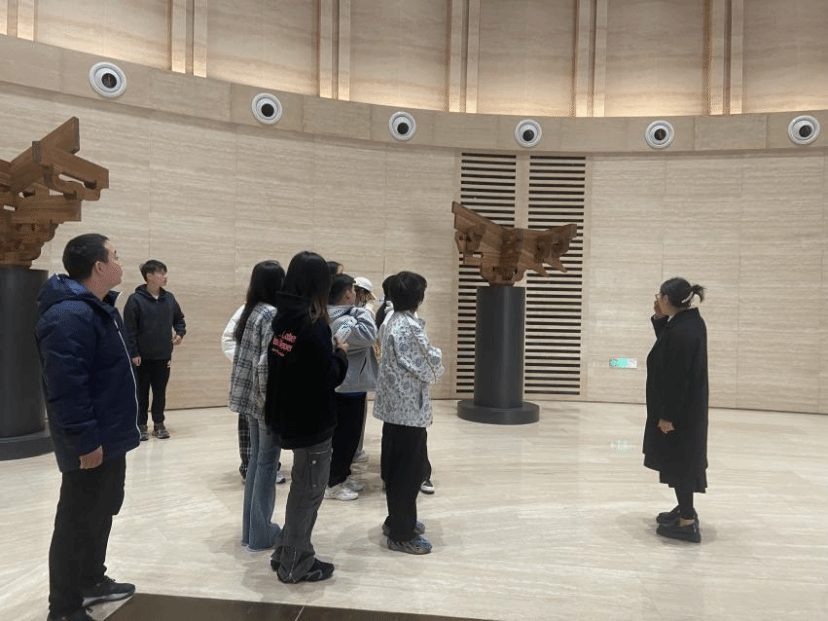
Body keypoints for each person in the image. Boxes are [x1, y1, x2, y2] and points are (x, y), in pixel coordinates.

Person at [36, 233, 139, 621]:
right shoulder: (68, 316)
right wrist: (84, 440)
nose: (120, 261)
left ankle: (91, 580)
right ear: (99, 266)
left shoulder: (99, 308)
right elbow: (66, 387)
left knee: (102, 511)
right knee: (77, 520)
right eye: (115, 255)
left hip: (109, 435)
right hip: (90, 439)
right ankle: (63, 607)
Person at [264, 251, 348, 583]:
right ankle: (295, 564)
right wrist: (340, 354)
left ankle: (285, 551)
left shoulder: (283, 320)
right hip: (312, 422)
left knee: (301, 487)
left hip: (288, 416)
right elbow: (328, 377)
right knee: (309, 492)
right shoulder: (313, 327)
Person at [373, 271, 444, 555]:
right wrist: (438, 357)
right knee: (408, 472)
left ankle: (396, 521)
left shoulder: (391, 319)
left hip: (394, 407)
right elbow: (430, 364)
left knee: (396, 468)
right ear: (418, 297)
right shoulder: (408, 327)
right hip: (407, 410)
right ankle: (401, 534)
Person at [644, 277, 708, 543]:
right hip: (687, 410)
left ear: (666, 299)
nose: (656, 300)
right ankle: (683, 509)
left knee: (680, 463)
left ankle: (687, 522)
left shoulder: (683, 331)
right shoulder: (687, 323)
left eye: (659, 296)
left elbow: (678, 378)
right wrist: (660, 320)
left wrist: (668, 416)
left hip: (680, 413)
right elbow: (667, 349)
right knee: (677, 461)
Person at [229, 261, 286, 550]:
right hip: (263, 402)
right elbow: (266, 364)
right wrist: (270, 405)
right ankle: (261, 533)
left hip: (250, 399)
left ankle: (251, 531)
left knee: (257, 462)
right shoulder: (272, 314)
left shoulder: (251, 310)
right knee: (266, 464)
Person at [324, 274, 378, 501]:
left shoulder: (344, 316)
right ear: (347, 294)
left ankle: (342, 476)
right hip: (346, 387)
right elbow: (368, 336)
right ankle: (333, 483)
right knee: (344, 439)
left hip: (351, 385)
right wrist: (362, 311)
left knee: (350, 438)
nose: (357, 295)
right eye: (354, 291)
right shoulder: (342, 320)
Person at [123, 260, 186, 440]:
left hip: (163, 356)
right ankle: (141, 425)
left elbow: (179, 320)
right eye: (161, 273)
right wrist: (134, 353)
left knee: (160, 392)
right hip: (141, 358)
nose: (165, 277)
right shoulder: (135, 300)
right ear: (149, 276)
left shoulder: (170, 299)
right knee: (141, 393)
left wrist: (180, 333)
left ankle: (159, 424)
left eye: (165, 273)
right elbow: (129, 330)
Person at [223, 305, 286, 485]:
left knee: (264, 435)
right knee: (252, 430)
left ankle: (265, 467)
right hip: (255, 379)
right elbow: (228, 339)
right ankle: (250, 468)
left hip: (264, 379)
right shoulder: (254, 310)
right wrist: (247, 362)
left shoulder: (273, 310)